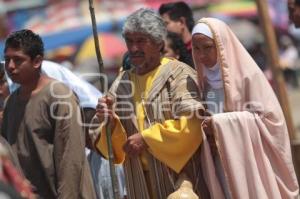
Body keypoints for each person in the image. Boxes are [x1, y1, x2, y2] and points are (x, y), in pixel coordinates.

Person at [90, 8, 209, 199]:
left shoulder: (179, 75)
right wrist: (110, 122)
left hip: (179, 179)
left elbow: (192, 125)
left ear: (158, 43)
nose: (134, 48)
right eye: (130, 41)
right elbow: (108, 144)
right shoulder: (121, 83)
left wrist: (146, 139)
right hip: (138, 182)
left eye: (141, 41)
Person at [192, 17, 299, 198]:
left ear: (222, 45)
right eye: (196, 48)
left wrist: (219, 125)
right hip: (220, 162)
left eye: (208, 47)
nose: (201, 55)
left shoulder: (248, 76)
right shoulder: (201, 82)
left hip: (250, 164)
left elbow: (271, 121)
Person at [1, 29, 96, 198]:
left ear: (37, 61)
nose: (10, 66)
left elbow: (71, 157)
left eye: (18, 60)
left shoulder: (59, 96)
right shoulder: (10, 104)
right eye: (7, 59)